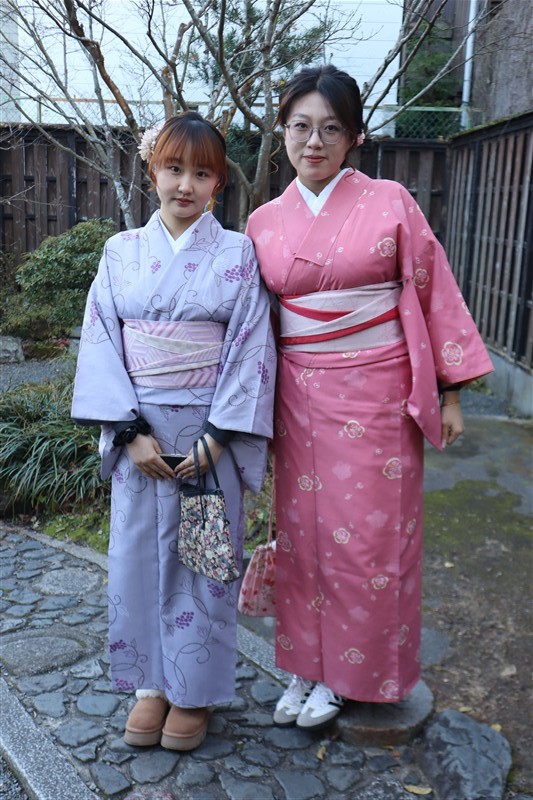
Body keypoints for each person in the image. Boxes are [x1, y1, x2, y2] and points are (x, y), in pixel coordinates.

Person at [246, 65, 494, 731]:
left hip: (378, 394)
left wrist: (447, 392)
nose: (314, 141)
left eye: (332, 129)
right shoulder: (264, 221)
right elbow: (251, 320)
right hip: (296, 396)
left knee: (368, 542)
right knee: (302, 537)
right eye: (301, 126)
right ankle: (305, 665)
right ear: (282, 130)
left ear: (355, 136)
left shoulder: (390, 202)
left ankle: (351, 676)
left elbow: (431, 290)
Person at [71, 111, 275, 751]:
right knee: (136, 556)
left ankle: (193, 691)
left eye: (202, 174)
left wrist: (219, 435)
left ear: (219, 183)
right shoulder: (120, 252)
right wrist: (127, 431)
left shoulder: (237, 254)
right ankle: (149, 686)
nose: (186, 185)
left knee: (203, 560)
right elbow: (101, 341)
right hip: (142, 437)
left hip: (209, 436)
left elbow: (251, 347)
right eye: (174, 168)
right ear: (151, 171)